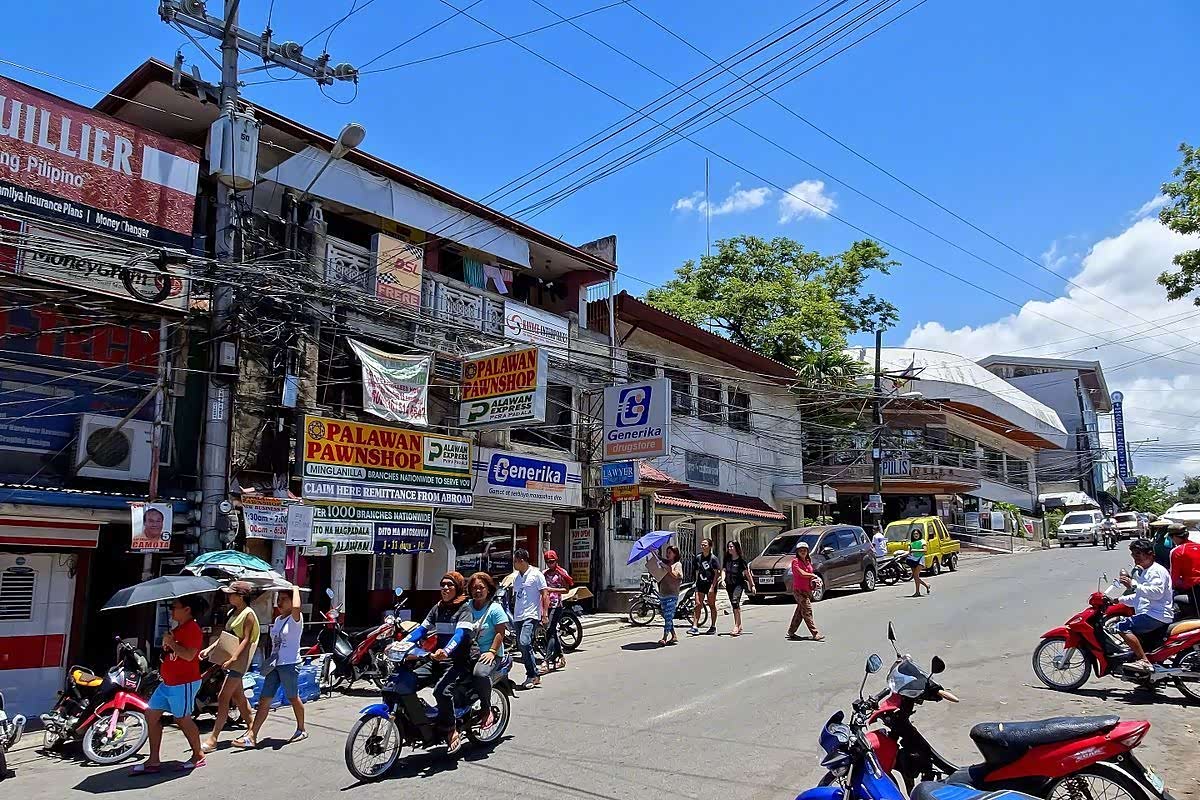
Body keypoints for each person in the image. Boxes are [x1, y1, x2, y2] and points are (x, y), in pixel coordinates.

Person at [395, 571, 474, 753]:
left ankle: (450, 728)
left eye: (450, 585)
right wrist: (401, 644)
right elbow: (421, 630)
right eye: (443, 584)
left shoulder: (464, 609)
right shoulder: (438, 608)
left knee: (441, 691)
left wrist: (446, 651)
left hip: (458, 661)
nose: (445, 588)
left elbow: (460, 635)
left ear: (458, 588)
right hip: (437, 659)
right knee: (407, 681)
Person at [131, 596, 206, 774]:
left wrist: (172, 643)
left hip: (184, 683)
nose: (171, 610)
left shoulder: (192, 629)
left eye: (175, 606)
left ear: (187, 609)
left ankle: (198, 755)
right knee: (151, 714)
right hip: (168, 683)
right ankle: (154, 760)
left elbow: (189, 656)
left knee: (182, 718)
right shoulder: (178, 629)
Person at [236, 585, 306, 749]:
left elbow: (296, 607)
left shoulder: (296, 619)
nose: (280, 603)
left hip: (289, 664)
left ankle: (301, 728)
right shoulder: (278, 619)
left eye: (284, 599)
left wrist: (295, 589)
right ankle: (252, 735)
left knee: (292, 697)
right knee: (264, 699)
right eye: (279, 599)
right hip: (275, 664)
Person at [200, 581, 260, 753]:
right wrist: (209, 649)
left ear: (241, 596)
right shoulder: (233, 612)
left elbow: (247, 639)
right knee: (239, 698)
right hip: (232, 659)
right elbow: (225, 636)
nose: (229, 596)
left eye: (232, 593)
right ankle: (252, 731)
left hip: (239, 661)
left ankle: (213, 739)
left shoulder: (248, 614)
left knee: (223, 697)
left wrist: (233, 658)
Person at [1117, 538, 1174, 672]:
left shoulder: (1156, 571)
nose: (1135, 558)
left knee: (1121, 626)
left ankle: (1143, 660)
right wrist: (1118, 600)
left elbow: (1156, 593)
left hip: (1156, 615)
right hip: (1149, 613)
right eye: (1133, 555)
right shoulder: (1145, 571)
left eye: (1138, 554)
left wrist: (1133, 585)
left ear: (1150, 554)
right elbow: (1140, 596)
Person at [467, 572, 508, 731]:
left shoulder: (495, 609)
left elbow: (500, 633)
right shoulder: (466, 607)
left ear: (488, 589)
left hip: (489, 653)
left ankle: (486, 709)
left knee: (480, 673)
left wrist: (491, 652)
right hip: (469, 653)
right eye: (474, 588)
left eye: (481, 588)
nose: (478, 591)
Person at [512, 548, 549, 689]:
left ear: (521, 561)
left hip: (531, 615)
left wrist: (544, 614)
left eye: (515, 561)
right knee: (521, 645)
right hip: (518, 616)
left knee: (524, 641)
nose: (514, 564)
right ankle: (534, 674)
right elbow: (517, 596)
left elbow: (545, 594)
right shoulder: (516, 577)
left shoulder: (536, 574)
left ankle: (532, 675)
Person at [541, 550, 574, 673]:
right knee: (551, 632)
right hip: (546, 605)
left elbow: (566, 589)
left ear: (556, 561)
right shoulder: (544, 574)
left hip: (557, 605)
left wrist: (550, 589)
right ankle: (560, 655)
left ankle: (547, 660)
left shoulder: (561, 573)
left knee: (550, 629)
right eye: (548, 562)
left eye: (552, 562)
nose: (550, 564)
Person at [646, 545, 683, 646]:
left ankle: (664, 638)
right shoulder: (665, 562)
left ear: (675, 554)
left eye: (670, 552)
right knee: (667, 616)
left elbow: (676, 575)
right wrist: (652, 551)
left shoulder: (677, 564)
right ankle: (674, 635)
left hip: (672, 594)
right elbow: (657, 558)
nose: (667, 554)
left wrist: (667, 568)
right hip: (663, 593)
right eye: (667, 552)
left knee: (668, 616)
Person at [786, 541, 822, 641]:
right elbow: (801, 573)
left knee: (799, 612)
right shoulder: (795, 562)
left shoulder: (807, 561)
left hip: (807, 590)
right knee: (807, 611)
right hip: (799, 591)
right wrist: (813, 575)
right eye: (801, 550)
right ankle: (815, 633)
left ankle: (791, 632)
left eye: (805, 550)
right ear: (797, 552)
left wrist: (814, 582)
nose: (803, 552)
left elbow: (809, 574)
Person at [722, 541, 756, 637]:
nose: (729, 548)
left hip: (738, 585)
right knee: (734, 605)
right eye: (728, 547)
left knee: (735, 601)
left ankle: (736, 626)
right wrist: (723, 579)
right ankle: (739, 624)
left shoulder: (741, 561)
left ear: (736, 548)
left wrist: (752, 585)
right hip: (729, 585)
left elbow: (747, 574)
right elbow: (723, 570)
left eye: (731, 546)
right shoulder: (727, 559)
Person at [688, 539, 720, 636]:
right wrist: (695, 582)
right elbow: (696, 571)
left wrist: (713, 586)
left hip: (710, 584)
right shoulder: (698, 558)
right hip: (700, 584)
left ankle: (713, 626)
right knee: (697, 604)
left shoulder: (713, 559)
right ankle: (694, 626)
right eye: (702, 545)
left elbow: (717, 573)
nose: (703, 546)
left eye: (705, 545)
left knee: (711, 605)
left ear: (710, 546)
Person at [1168, 525, 1200, 619]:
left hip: (1195, 589)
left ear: (1174, 537)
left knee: (1174, 598)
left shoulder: (1177, 551)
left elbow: (1174, 579)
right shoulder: (1198, 546)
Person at [907, 529, 932, 597]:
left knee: (915, 575)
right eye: (914, 534)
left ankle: (924, 587)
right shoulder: (910, 542)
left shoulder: (922, 541)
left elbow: (925, 550)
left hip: (920, 559)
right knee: (915, 577)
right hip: (912, 559)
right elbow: (909, 551)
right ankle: (920, 590)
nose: (915, 535)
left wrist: (914, 550)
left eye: (917, 534)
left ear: (919, 534)